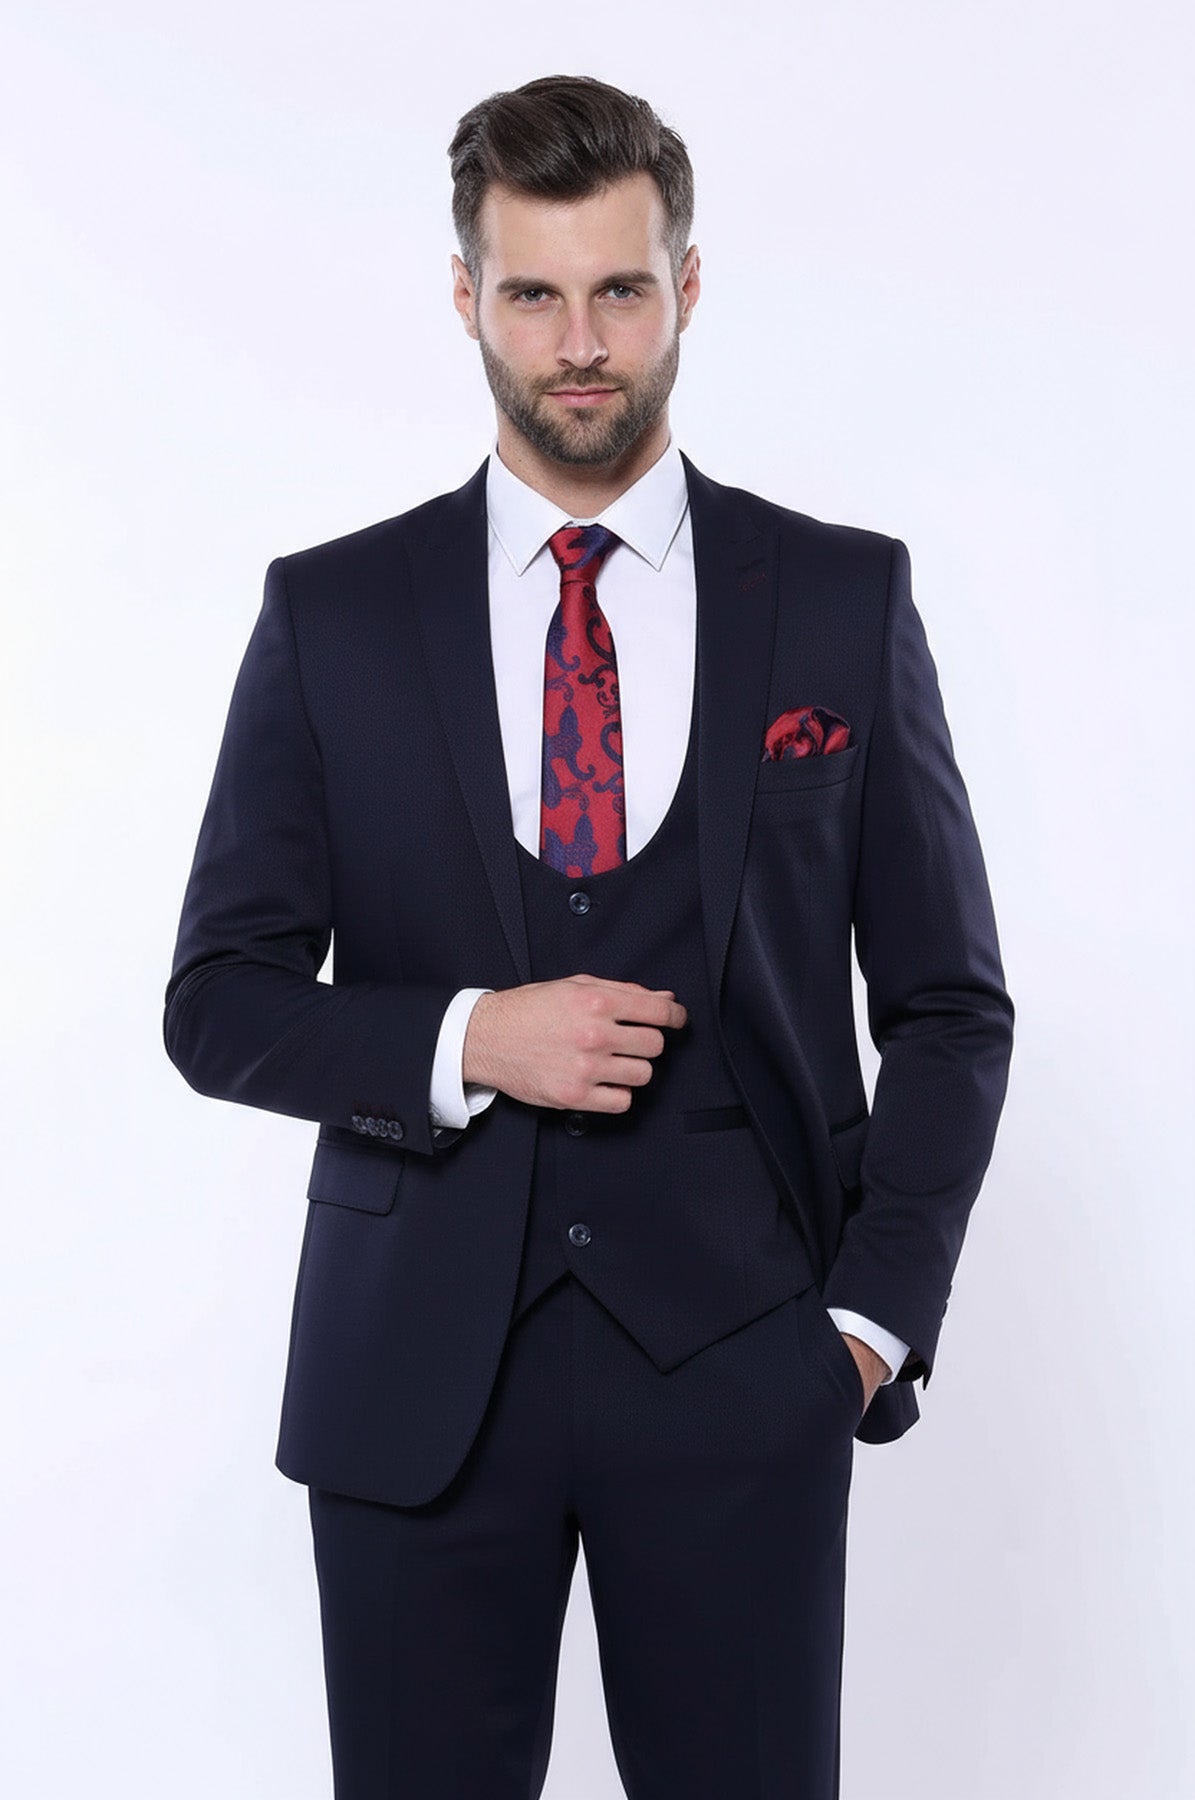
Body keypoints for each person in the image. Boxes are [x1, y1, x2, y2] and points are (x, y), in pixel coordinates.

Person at [164, 71, 1014, 1800]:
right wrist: (468, 1037)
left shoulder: (840, 598)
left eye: (620, 290)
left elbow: (949, 1005)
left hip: (745, 1373)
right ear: (464, 294)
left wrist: (867, 1324)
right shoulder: (334, 613)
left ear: (685, 286)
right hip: (416, 1383)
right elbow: (218, 998)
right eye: (534, 293)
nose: (578, 344)